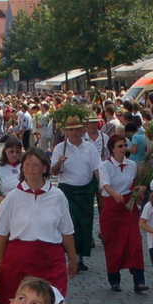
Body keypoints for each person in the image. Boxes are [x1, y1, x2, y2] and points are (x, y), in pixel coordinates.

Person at [0, 149, 76, 304]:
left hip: (50, 259)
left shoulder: (57, 196)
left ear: (44, 168)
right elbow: (1, 234)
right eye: (27, 164)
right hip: (19, 260)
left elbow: (67, 231)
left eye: (35, 165)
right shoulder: (12, 198)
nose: (30, 169)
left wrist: (72, 258)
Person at [97, 132, 147, 293]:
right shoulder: (105, 166)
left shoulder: (131, 165)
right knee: (113, 244)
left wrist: (140, 189)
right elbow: (105, 184)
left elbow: (134, 183)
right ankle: (114, 279)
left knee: (135, 242)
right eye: (120, 146)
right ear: (112, 149)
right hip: (112, 208)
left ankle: (139, 281)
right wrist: (114, 194)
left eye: (125, 145)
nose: (124, 148)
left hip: (129, 207)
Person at [51, 116, 101, 271]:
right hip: (68, 190)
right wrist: (60, 162)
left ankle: (80, 257)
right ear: (67, 131)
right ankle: (70, 256)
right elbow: (53, 172)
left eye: (77, 129)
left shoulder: (90, 147)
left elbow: (97, 168)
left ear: (82, 130)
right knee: (70, 224)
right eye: (71, 129)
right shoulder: (60, 148)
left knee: (85, 225)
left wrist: (101, 185)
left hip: (86, 190)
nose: (74, 132)